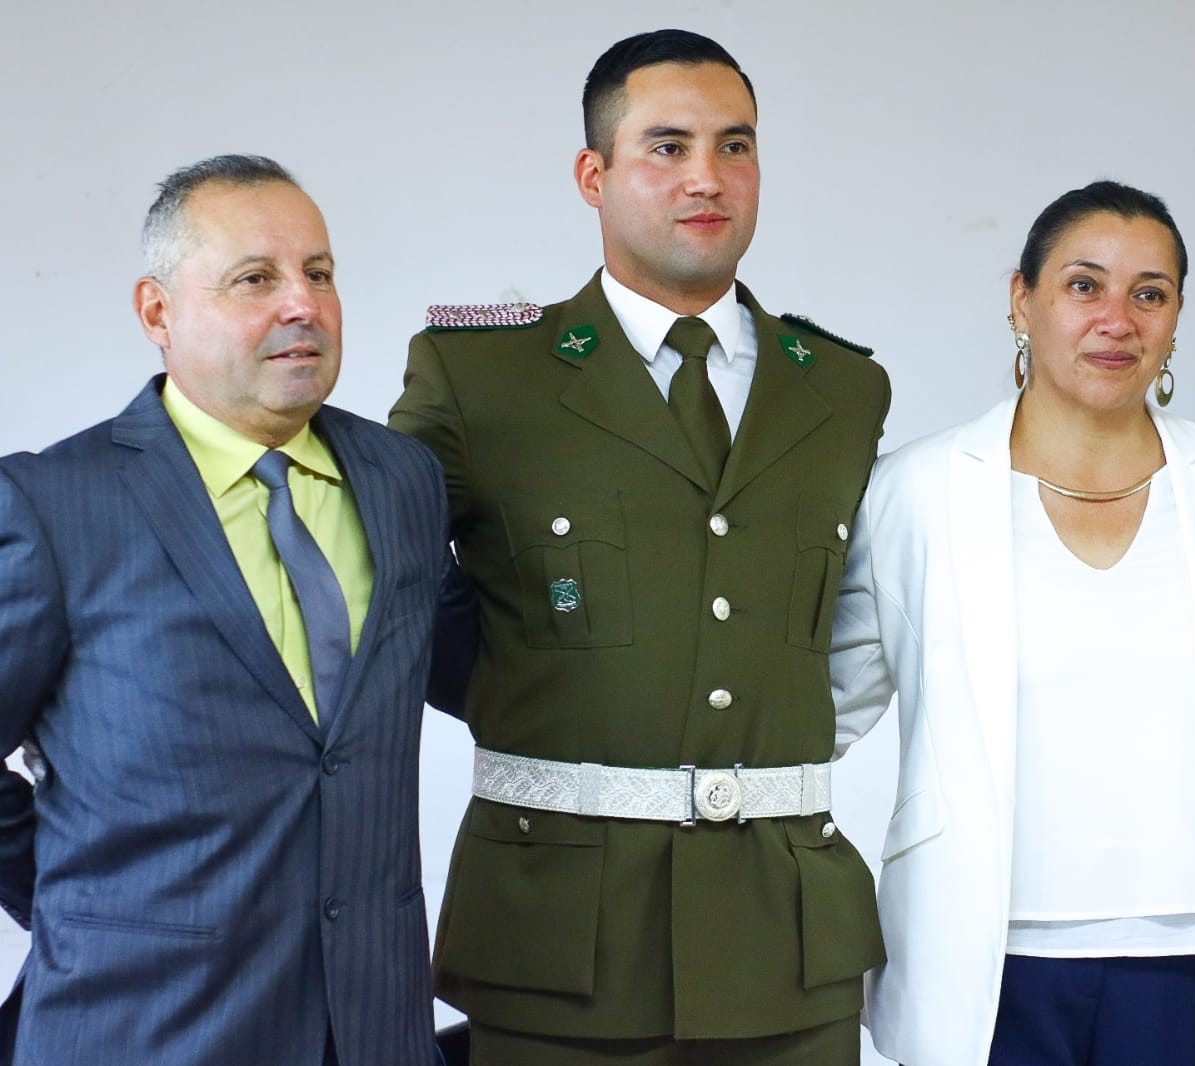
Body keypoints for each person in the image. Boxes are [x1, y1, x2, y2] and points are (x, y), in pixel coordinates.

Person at [389, 28, 890, 1064]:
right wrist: (533, 685)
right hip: (558, 942)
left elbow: (856, 624)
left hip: (785, 948)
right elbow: (387, 587)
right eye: (667, 146)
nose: (707, 177)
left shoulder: (843, 388)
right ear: (594, 172)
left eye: (735, 146)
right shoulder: (482, 372)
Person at [0, 155, 450, 1066]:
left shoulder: (403, 481)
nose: (303, 306)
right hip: (146, 1028)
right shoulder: (52, 505)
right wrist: (92, 900)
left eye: (318, 274)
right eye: (256, 279)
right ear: (157, 312)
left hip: (373, 1031)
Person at [831, 181, 1195, 1065]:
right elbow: (818, 711)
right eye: (1084, 285)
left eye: (1147, 293)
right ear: (1021, 300)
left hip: (1194, 956)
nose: (1116, 318)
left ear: (1175, 316)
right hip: (984, 957)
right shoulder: (913, 490)